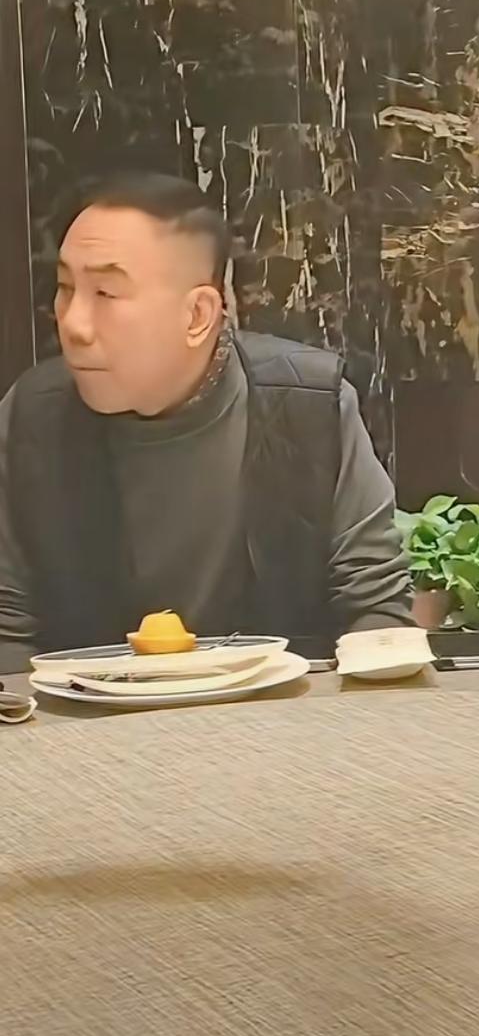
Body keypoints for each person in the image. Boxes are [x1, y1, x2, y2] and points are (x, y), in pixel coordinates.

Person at [0, 173, 414, 671]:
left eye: (106, 293)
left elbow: (375, 609)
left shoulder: (309, 406)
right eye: (66, 288)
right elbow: (8, 628)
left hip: (284, 708)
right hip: (87, 710)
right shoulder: (32, 415)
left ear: (198, 315)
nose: (73, 324)